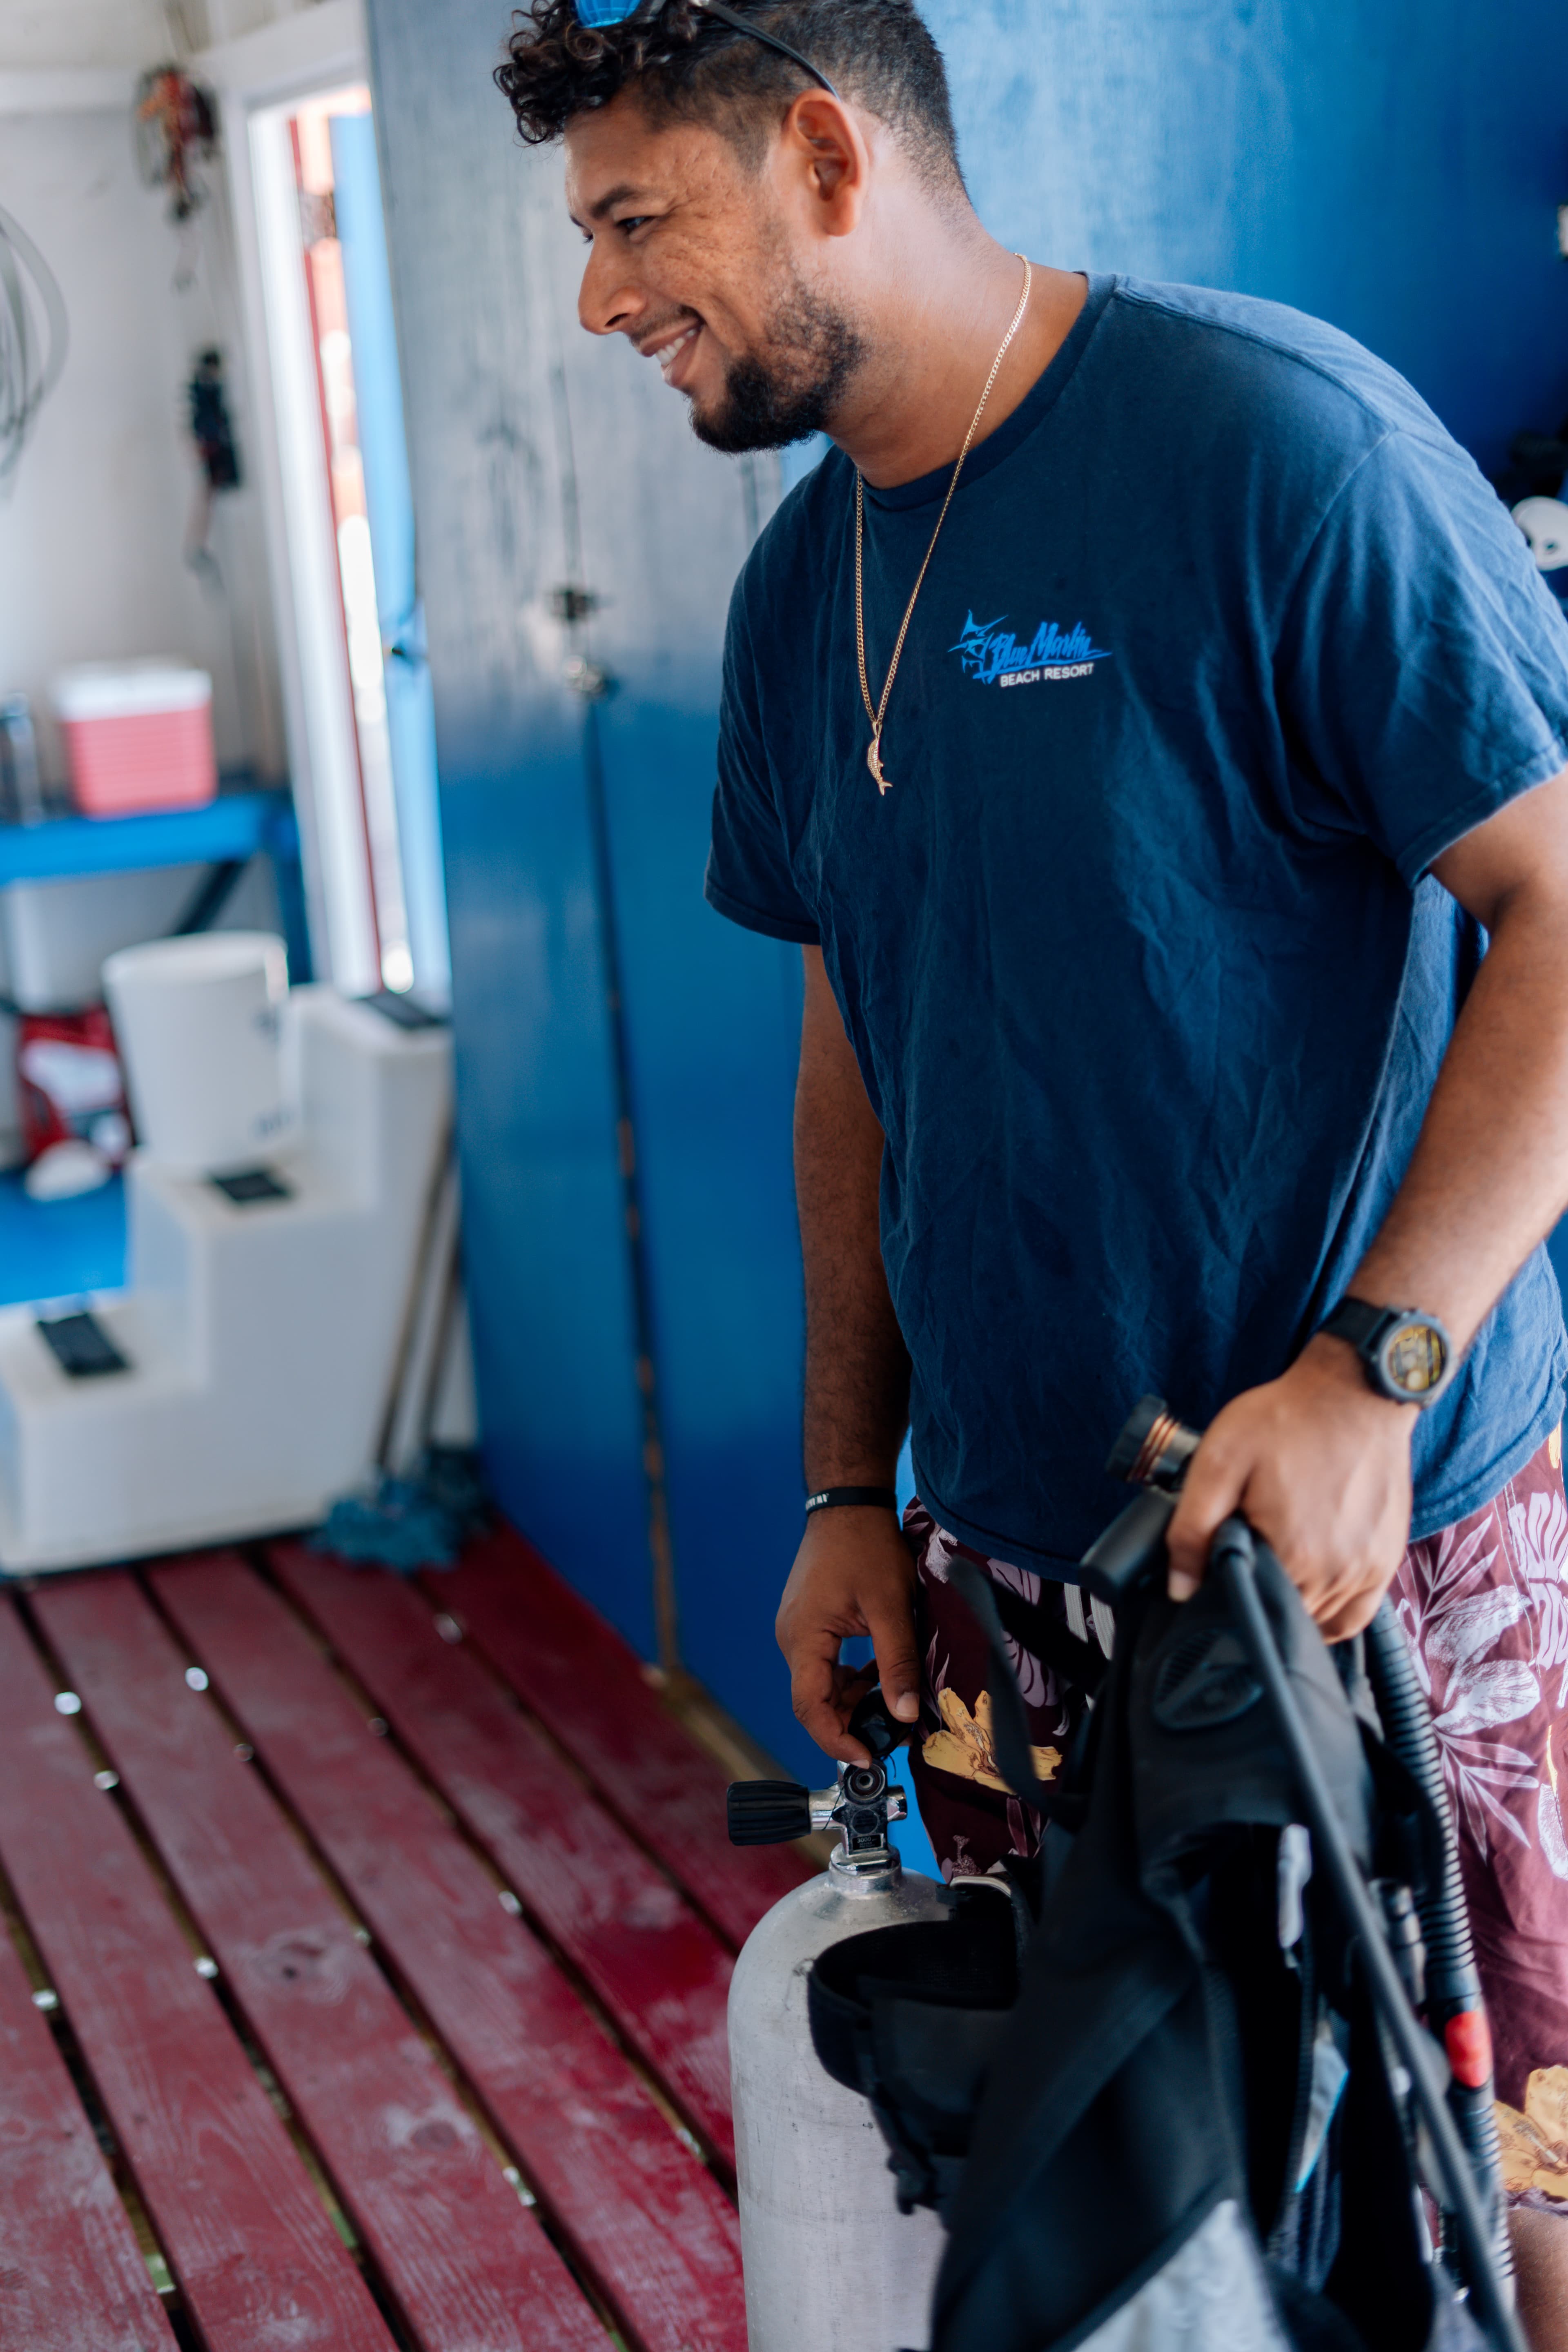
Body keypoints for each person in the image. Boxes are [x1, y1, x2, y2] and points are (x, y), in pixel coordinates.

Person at [495, 2, 1568, 2332]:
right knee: (1157, 2190)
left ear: (821, 152)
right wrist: (840, 1489)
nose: (599, 300)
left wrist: (1380, 1375)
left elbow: (1563, 908)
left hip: (1373, 1549)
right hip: (1029, 1562)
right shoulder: (806, 597)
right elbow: (856, 1055)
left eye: (634, 222)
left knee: (1491, 2170)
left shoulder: (1274, 448)